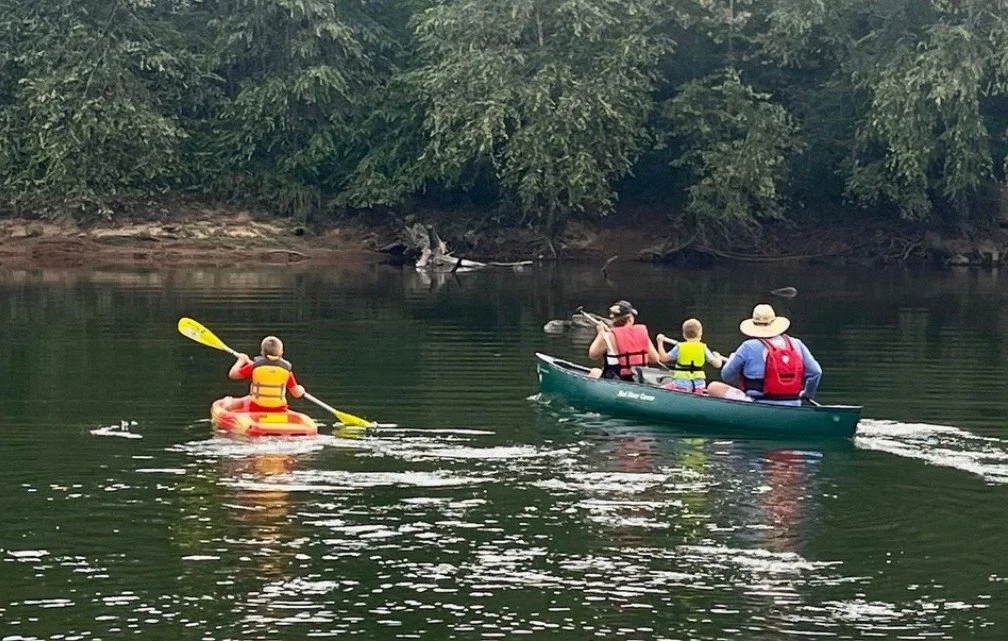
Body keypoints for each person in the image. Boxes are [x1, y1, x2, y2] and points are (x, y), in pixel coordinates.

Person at [707, 304, 821, 405]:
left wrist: (733, 360)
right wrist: (807, 394)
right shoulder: (796, 343)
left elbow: (726, 375)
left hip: (757, 403)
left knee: (713, 387)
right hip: (794, 403)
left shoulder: (748, 346)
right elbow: (816, 372)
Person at [227, 336, 306, 412]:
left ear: (262, 352)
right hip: (279, 409)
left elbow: (233, 375)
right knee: (246, 399)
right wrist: (301, 389)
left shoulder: (253, 367)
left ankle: (227, 407)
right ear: (281, 352)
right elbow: (296, 394)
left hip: (256, 407)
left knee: (239, 401)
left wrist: (241, 360)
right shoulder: (287, 372)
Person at [587, 300, 662, 380]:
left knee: (595, 372)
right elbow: (655, 359)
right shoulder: (642, 333)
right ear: (630, 319)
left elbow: (593, 355)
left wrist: (601, 333)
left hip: (616, 380)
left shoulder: (607, 336)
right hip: (639, 379)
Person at [656, 318, 725, 394]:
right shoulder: (703, 347)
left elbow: (663, 358)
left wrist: (660, 342)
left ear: (683, 335)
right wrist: (717, 356)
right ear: (700, 333)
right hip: (699, 386)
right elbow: (718, 364)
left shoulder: (680, 347)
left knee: (661, 389)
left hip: (681, 385)